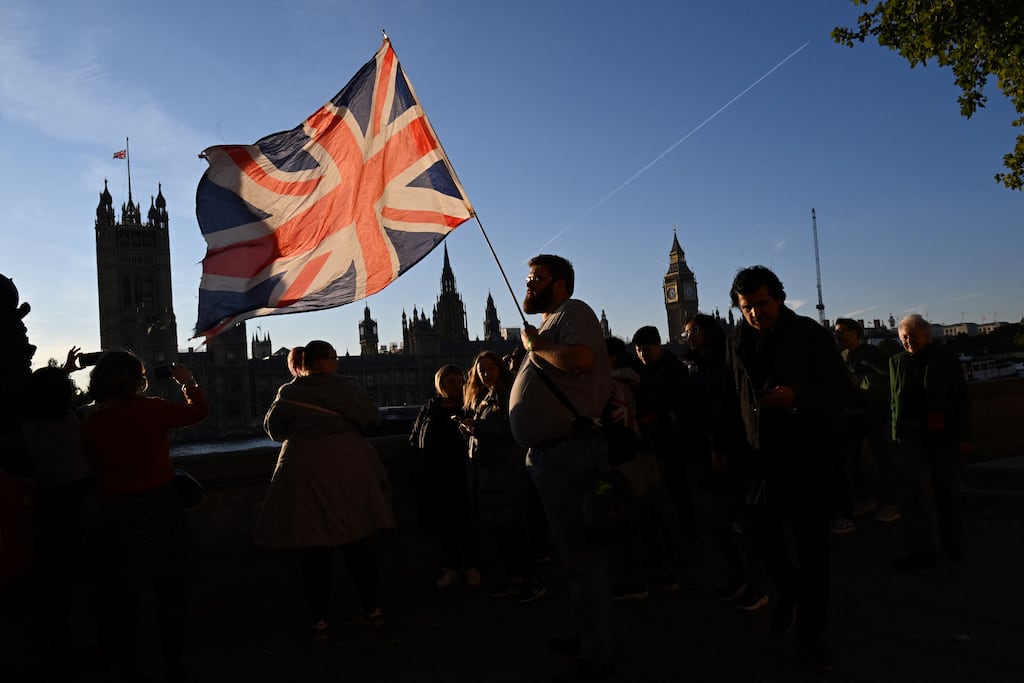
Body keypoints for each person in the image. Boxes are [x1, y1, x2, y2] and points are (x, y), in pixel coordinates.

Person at [712, 266, 848, 673]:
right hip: (759, 458)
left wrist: (796, 397)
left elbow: (840, 390)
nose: (755, 314)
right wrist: (720, 442)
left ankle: (811, 636)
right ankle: (789, 590)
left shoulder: (809, 334)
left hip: (806, 455)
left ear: (780, 298)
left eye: (761, 305)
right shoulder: (736, 339)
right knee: (757, 534)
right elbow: (727, 393)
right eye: (747, 308)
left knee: (813, 554)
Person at [508, 254, 614, 681]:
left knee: (587, 558)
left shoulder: (574, 311)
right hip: (550, 456)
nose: (528, 285)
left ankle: (600, 648)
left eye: (536, 279)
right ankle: (583, 631)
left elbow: (581, 361)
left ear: (561, 284)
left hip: (571, 452)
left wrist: (534, 347)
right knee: (571, 558)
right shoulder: (552, 322)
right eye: (528, 278)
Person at [81, 351, 208, 682]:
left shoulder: (90, 419)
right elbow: (199, 411)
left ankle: (129, 668)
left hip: (116, 511)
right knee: (170, 592)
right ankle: (173, 666)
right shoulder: (152, 407)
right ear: (137, 379)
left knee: (125, 598)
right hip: (159, 507)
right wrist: (188, 382)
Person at [254, 340, 394, 639]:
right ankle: (371, 610)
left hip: (305, 473)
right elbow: (371, 418)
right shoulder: (349, 388)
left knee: (314, 551)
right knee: (358, 545)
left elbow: (274, 430)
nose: (337, 362)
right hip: (348, 468)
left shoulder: (290, 392)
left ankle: (320, 621)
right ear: (320, 362)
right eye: (333, 357)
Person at [685, 314, 766, 612]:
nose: (688, 338)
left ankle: (756, 584)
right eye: (685, 334)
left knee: (743, 523)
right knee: (716, 523)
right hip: (707, 455)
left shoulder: (728, 364)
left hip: (734, 454)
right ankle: (739, 575)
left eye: (692, 331)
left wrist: (721, 445)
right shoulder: (695, 366)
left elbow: (730, 409)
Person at [460, 351, 545, 604]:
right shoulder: (483, 398)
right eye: (481, 370)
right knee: (503, 533)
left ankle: (533, 581)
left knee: (516, 530)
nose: (485, 374)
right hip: (489, 476)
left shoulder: (507, 395)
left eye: (490, 369)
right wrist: (470, 430)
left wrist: (479, 428)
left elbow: (512, 431)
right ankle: (515, 580)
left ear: (500, 369)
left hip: (506, 474)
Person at [889, 314, 971, 571]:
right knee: (915, 496)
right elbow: (895, 401)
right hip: (912, 435)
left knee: (946, 491)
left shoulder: (945, 359)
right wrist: (896, 433)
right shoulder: (896, 362)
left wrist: (965, 434)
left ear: (927, 336)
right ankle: (924, 549)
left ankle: (951, 545)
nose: (908, 341)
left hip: (941, 434)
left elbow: (961, 398)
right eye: (904, 336)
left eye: (912, 336)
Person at [24, 361, 91, 666]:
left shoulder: (27, 426)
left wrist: (62, 373)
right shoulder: (74, 420)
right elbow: (82, 399)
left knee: (56, 587)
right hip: (81, 502)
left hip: (47, 506)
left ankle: (59, 650)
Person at [409, 364, 480, 589]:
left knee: (466, 521)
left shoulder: (469, 407)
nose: (456, 385)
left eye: (460, 381)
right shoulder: (430, 407)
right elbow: (414, 437)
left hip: (462, 472)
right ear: (440, 384)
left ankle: (471, 567)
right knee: (445, 524)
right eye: (450, 381)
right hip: (436, 475)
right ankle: (450, 568)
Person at [630, 325, 690, 589]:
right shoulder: (643, 372)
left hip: (673, 446)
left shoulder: (675, 370)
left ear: (659, 346)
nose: (642, 355)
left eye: (646, 349)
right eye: (639, 351)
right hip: (653, 446)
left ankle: (680, 547)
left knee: (674, 497)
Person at [834, 318, 901, 524]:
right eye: (836, 332)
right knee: (850, 460)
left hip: (873, 415)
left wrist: (861, 381)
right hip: (852, 415)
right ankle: (865, 499)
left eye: (842, 331)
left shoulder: (872, 353)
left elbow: (887, 378)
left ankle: (894, 503)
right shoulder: (843, 356)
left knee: (885, 460)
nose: (838, 335)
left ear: (856, 332)